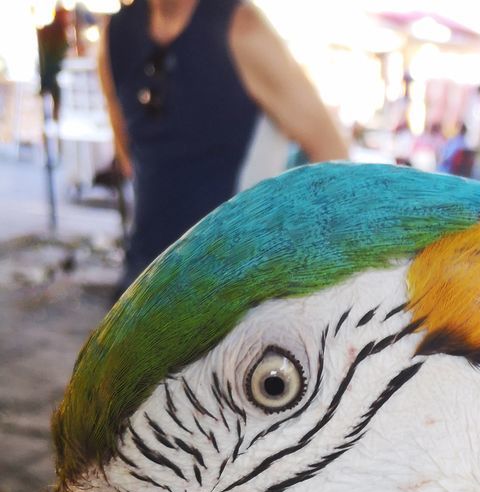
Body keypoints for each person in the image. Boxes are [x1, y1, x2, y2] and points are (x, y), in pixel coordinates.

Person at [99, 0, 347, 290]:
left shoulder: (241, 28)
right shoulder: (117, 35)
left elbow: (332, 153)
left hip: (230, 293)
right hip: (144, 282)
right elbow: (127, 154)